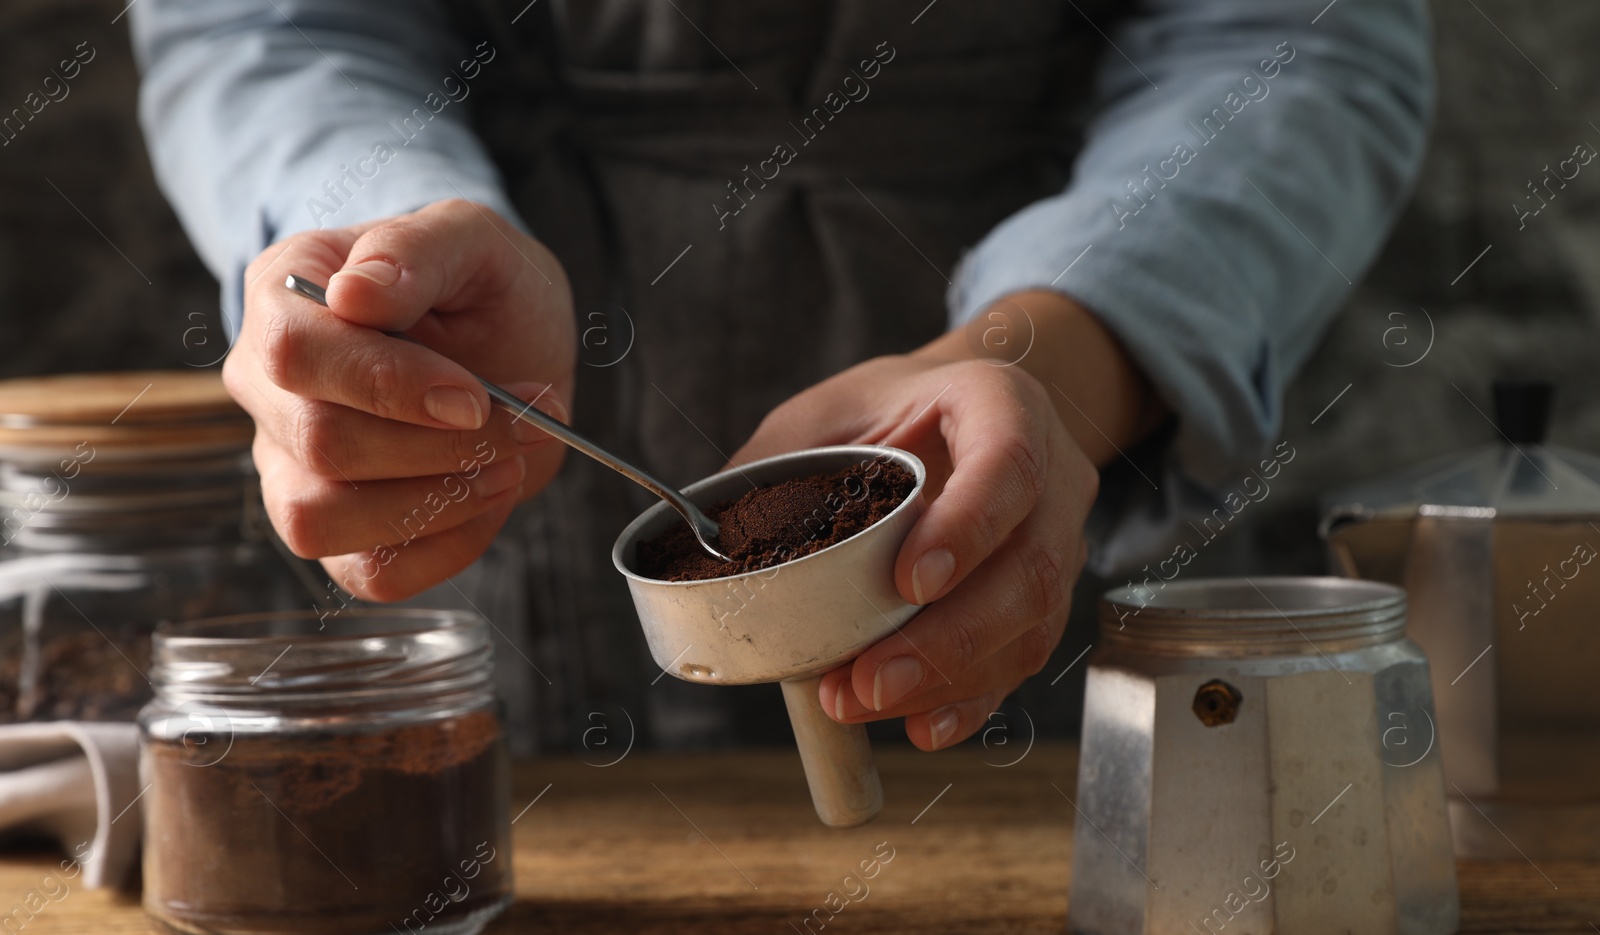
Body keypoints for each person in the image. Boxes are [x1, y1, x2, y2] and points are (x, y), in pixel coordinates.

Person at [130, 0, 1432, 754]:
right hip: (522, 522)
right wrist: (388, 258)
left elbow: (1295, 35)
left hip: (1068, 340)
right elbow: (265, 24)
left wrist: (1059, 361)